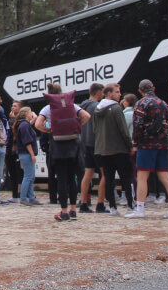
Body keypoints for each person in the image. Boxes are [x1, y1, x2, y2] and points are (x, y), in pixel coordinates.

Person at [126, 79, 168, 219]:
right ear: (154, 88)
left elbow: (138, 126)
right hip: (163, 144)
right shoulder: (165, 104)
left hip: (147, 144)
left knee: (142, 176)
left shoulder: (141, 104)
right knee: (165, 176)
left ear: (140, 91)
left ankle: (140, 209)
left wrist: (135, 142)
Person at [35, 83, 91, 221]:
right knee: (72, 178)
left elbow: (37, 124)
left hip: (58, 146)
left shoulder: (48, 108)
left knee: (61, 179)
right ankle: (73, 209)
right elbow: (87, 116)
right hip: (73, 144)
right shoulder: (72, 105)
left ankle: (64, 211)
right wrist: (76, 127)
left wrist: (49, 130)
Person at [93, 84, 134, 215]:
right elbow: (123, 130)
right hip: (119, 148)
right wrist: (130, 145)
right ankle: (130, 206)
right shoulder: (116, 108)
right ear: (109, 94)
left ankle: (112, 207)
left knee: (109, 179)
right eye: (117, 92)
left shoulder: (97, 109)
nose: (119, 94)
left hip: (102, 150)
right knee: (126, 178)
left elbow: (95, 130)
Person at [78, 83, 106, 213]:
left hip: (85, 143)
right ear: (98, 92)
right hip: (98, 143)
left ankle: (83, 203)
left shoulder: (81, 107)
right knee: (104, 174)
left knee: (87, 173)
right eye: (102, 92)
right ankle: (100, 204)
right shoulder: (97, 107)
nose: (103, 94)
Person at [13, 106, 41, 205]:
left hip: (25, 153)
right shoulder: (24, 125)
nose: (31, 114)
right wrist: (32, 154)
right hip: (26, 153)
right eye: (30, 112)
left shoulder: (24, 124)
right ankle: (24, 197)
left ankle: (31, 197)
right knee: (28, 176)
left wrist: (34, 116)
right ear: (26, 114)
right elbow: (27, 142)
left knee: (30, 176)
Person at [5, 100, 25, 203]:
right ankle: (14, 194)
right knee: (12, 172)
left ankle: (20, 193)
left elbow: (14, 132)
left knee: (19, 172)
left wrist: (12, 119)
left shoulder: (20, 121)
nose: (13, 108)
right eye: (12, 106)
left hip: (16, 150)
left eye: (15, 106)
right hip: (9, 150)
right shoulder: (10, 120)